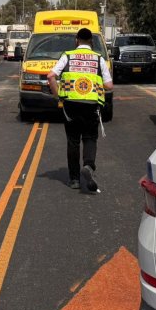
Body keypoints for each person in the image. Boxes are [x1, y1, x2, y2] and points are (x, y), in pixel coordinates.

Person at [47, 28, 114, 192]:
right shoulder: (99, 59)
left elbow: (50, 76)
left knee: (73, 140)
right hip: (91, 105)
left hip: (70, 105)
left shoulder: (67, 55)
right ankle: (89, 166)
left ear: (77, 40)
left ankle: (75, 179)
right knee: (90, 137)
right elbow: (109, 85)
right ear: (91, 41)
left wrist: (57, 96)